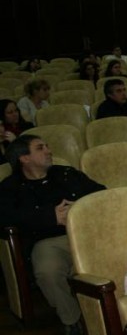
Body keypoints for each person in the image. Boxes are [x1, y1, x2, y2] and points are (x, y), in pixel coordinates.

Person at [0, 135, 105, 335]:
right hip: (48, 242)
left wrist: (79, 207)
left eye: (47, 146)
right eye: (40, 148)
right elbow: (5, 217)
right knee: (48, 270)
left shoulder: (66, 173)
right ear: (24, 158)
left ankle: (113, 310)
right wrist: (50, 217)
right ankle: (72, 319)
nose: (49, 150)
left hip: (85, 233)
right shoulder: (10, 187)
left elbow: (101, 192)